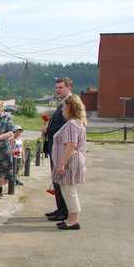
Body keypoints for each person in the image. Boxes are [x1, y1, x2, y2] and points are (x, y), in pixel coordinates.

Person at [51, 95, 87, 230]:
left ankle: (73, 221)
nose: (62, 110)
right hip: (73, 160)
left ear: (70, 108)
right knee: (69, 190)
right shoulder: (78, 122)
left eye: (64, 107)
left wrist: (61, 164)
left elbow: (70, 145)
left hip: (69, 162)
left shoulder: (72, 124)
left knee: (69, 191)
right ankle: (71, 218)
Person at [44, 78, 74, 222]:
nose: (57, 90)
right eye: (56, 88)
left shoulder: (71, 103)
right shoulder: (62, 103)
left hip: (62, 148)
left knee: (62, 181)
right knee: (56, 180)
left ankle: (65, 212)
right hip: (54, 147)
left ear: (69, 87)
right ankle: (60, 209)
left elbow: (68, 126)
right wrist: (47, 128)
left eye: (60, 87)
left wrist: (50, 130)